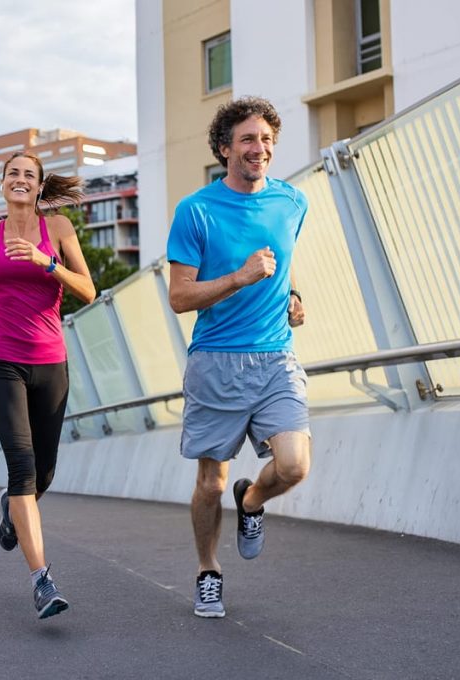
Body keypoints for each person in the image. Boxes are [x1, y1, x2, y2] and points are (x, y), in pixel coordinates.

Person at [166, 96, 310, 619]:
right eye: (248, 139)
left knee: (293, 465)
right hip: (216, 361)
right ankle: (208, 571)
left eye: (267, 139)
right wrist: (239, 279)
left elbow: (283, 258)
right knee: (211, 481)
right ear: (225, 148)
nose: (260, 148)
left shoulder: (293, 201)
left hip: (276, 357)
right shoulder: (196, 210)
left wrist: (294, 297)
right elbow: (180, 298)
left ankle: (252, 502)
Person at [0, 151, 96, 620]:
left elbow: (87, 290)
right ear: (2, 184)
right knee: (22, 467)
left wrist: (45, 262)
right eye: (12, 173)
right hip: (2, 364)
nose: (20, 180)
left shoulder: (57, 230)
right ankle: (42, 580)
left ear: (39, 188)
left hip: (50, 363)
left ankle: (11, 508)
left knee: (45, 473)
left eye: (28, 175)